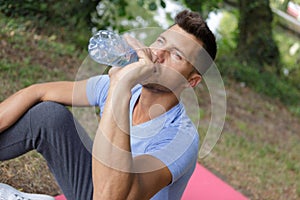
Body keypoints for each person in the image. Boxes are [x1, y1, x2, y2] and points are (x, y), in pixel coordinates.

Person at [0, 10, 216, 200]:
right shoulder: (122, 88)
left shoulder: (181, 139)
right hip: (100, 187)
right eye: (160, 41)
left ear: (191, 81)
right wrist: (121, 85)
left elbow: (111, 197)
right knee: (49, 116)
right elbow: (38, 91)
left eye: (176, 55)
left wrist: (121, 85)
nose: (158, 55)